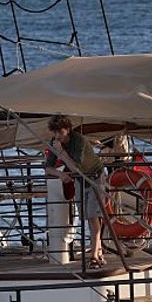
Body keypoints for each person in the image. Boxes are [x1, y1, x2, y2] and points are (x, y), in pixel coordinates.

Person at [43, 115, 106, 268]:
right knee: (86, 216)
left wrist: (61, 152)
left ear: (68, 130)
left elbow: (76, 168)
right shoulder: (55, 143)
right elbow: (48, 168)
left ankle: (94, 256)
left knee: (92, 216)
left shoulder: (80, 141)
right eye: (55, 133)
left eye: (60, 132)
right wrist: (61, 174)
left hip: (95, 177)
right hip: (79, 181)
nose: (57, 136)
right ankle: (99, 250)